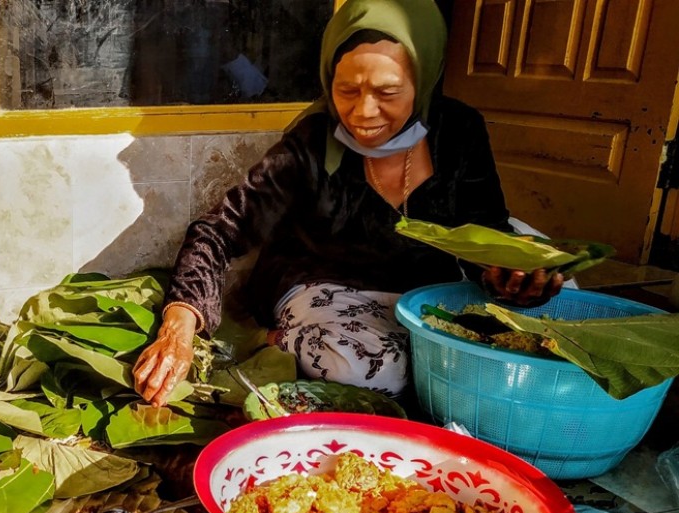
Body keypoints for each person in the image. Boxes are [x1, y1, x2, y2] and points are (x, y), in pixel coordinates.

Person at [133, 0, 564, 407]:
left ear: (425, 77)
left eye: (388, 92)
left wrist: (505, 273)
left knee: (535, 345)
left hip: (422, 296)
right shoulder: (312, 143)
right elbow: (218, 232)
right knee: (369, 370)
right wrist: (179, 326)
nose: (363, 112)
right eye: (347, 90)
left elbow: (484, 230)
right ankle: (277, 341)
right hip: (324, 289)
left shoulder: (460, 131)